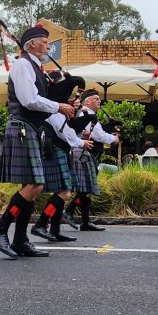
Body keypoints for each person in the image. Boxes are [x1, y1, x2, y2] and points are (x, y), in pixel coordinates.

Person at [0, 24, 74, 258]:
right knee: (34, 185)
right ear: (32, 44)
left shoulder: (36, 67)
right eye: (44, 42)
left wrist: (66, 89)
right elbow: (28, 100)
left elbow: (43, 97)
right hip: (22, 127)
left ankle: (20, 240)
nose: (47, 46)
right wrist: (59, 106)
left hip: (31, 128)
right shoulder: (23, 65)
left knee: (32, 188)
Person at [31, 100, 93, 243]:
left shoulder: (55, 105)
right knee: (63, 193)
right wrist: (80, 142)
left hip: (60, 150)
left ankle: (55, 230)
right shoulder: (54, 108)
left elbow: (69, 126)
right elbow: (62, 130)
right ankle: (41, 224)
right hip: (55, 150)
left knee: (61, 193)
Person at [64, 89, 119, 232]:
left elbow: (97, 130)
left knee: (86, 190)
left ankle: (85, 221)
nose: (99, 100)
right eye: (96, 98)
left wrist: (110, 125)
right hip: (84, 153)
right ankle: (68, 211)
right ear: (87, 101)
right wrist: (114, 139)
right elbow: (98, 135)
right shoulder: (86, 114)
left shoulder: (90, 114)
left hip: (89, 153)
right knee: (85, 189)